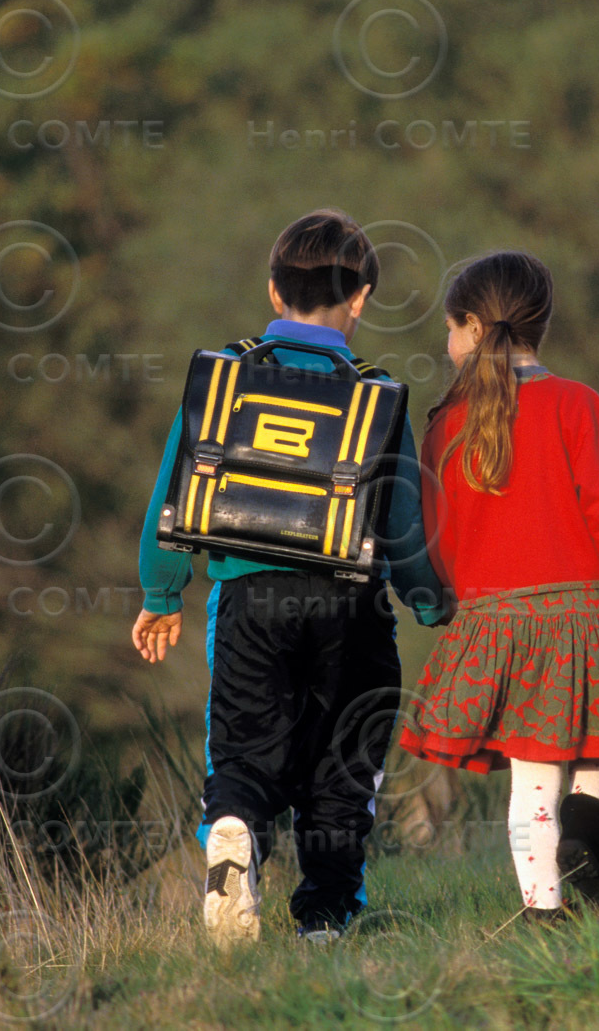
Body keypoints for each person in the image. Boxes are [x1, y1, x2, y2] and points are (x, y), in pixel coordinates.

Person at [132, 209, 448, 947]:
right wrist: (431, 600)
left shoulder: (226, 375)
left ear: (274, 292)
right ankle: (326, 920)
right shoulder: (377, 394)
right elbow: (404, 522)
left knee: (243, 745)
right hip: (353, 609)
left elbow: (176, 487)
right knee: (344, 764)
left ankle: (235, 827)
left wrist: (162, 590)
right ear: (360, 298)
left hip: (248, 597)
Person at [398, 250, 599, 923]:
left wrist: (457, 600)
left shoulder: (446, 423)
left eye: (449, 328)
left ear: (471, 327)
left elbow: (436, 531)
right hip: (584, 615)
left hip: (496, 623)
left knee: (532, 779)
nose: (447, 341)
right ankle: (583, 830)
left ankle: (544, 910)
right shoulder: (578, 404)